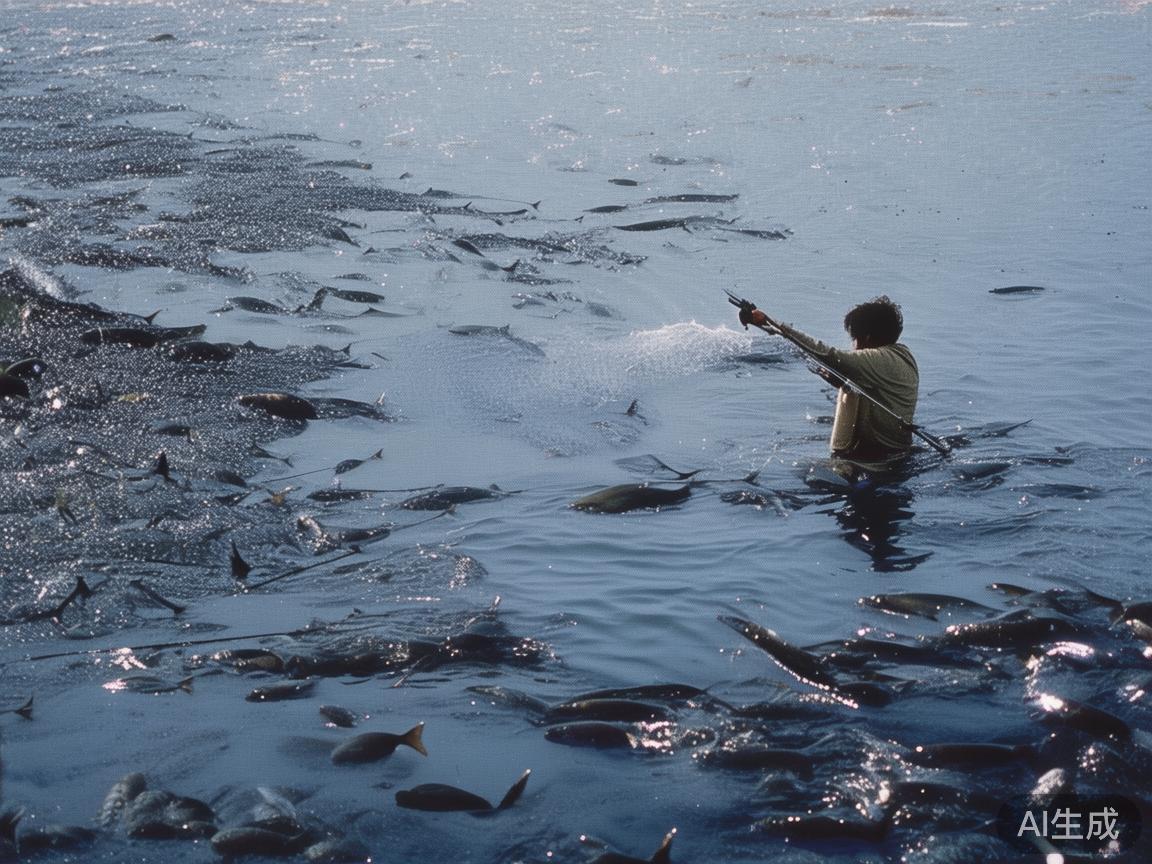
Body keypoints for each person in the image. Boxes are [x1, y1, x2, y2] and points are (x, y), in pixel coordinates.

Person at [738, 296, 919, 462]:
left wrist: (772, 322)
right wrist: (843, 383)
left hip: (877, 460)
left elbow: (827, 353)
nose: (853, 345)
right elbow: (875, 390)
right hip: (894, 454)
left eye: (854, 339)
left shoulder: (877, 359)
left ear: (867, 338)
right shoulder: (902, 355)